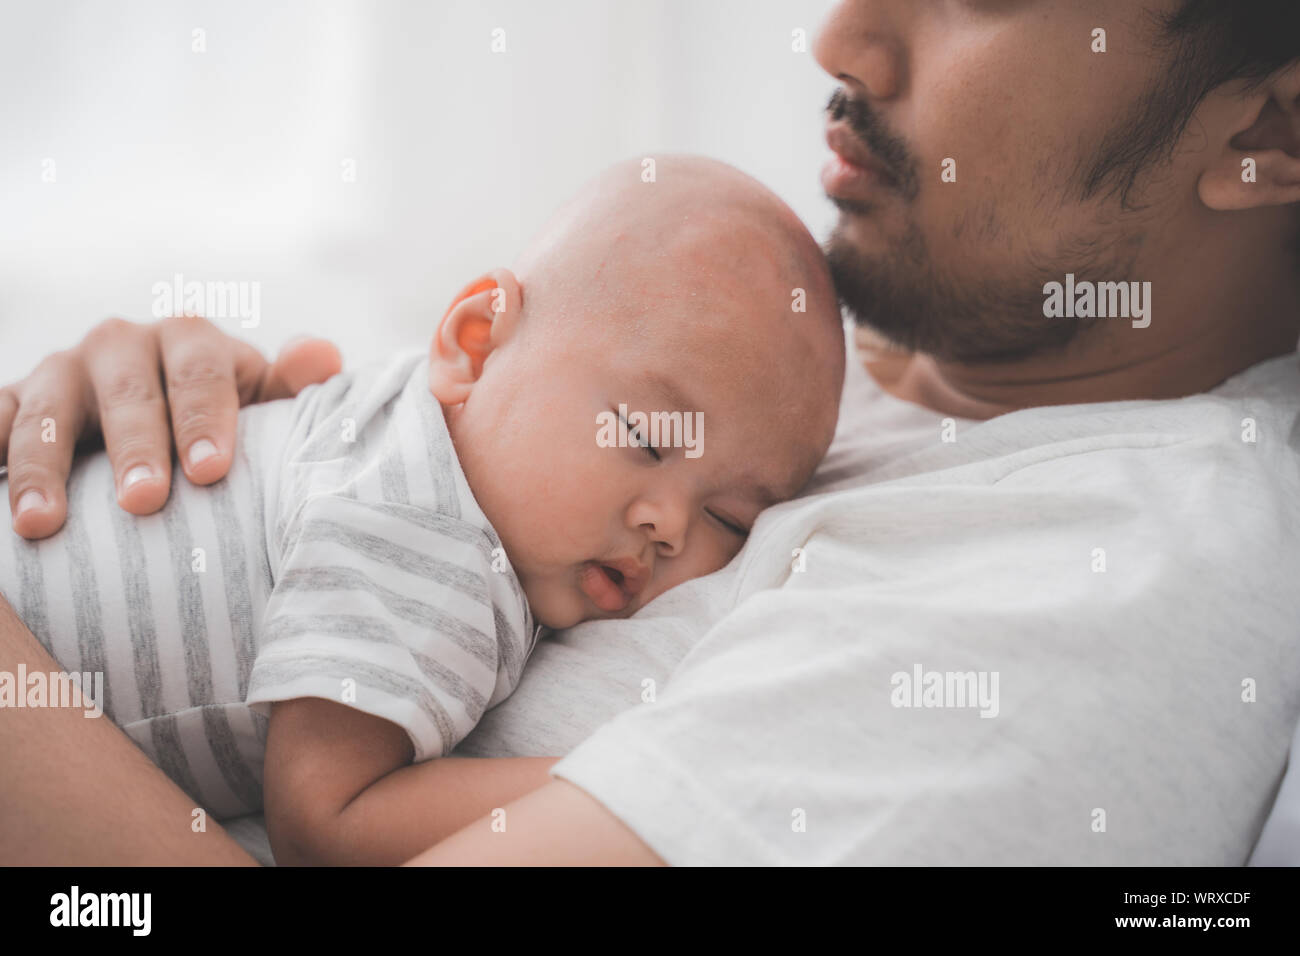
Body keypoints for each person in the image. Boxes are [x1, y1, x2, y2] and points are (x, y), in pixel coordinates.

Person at [2, 0, 1298, 866]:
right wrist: (187, 443)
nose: (837, 35)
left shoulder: (1095, 584)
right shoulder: (816, 360)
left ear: (1268, 132)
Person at [0, 157, 844, 866]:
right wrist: (644, 772)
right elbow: (325, 819)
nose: (668, 523)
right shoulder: (438, 538)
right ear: (474, 343)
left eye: (730, 519)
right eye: (644, 437)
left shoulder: (416, 420)